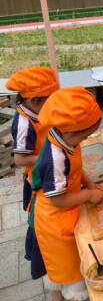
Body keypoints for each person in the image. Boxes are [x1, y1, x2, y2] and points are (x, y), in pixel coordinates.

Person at [29, 87, 103, 301]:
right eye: (84, 135)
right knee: (71, 270)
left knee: (56, 266)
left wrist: (90, 184)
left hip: (59, 207)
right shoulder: (56, 157)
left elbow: (76, 168)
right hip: (54, 217)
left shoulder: (63, 139)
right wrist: (89, 196)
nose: (86, 139)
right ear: (70, 132)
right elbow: (59, 200)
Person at [6, 66, 59, 211]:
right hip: (38, 176)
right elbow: (20, 160)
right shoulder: (24, 125)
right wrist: (54, 156)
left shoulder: (39, 110)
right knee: (40, 214)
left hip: (51, 166)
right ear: (34, 100)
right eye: (50, 102)